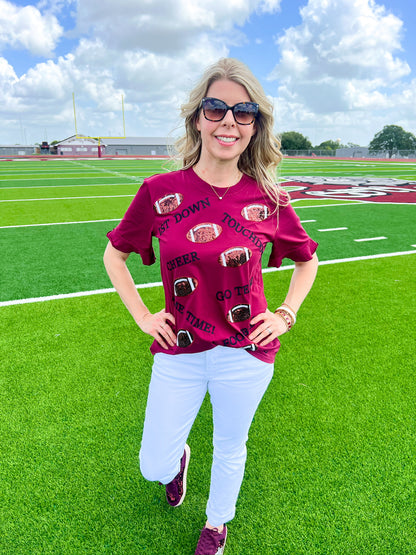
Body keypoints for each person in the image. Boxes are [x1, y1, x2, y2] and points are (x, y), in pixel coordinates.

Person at [103, 57, 318, 555]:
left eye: (244, 112)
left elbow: (306, 262)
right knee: (151, 464)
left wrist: (285, 313)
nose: (229, 121)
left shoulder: (268, 197)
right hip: (178, 349)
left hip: (245, 351)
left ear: (255, 126)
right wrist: (143, 316)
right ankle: (175, 461)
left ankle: (216, 525)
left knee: (230, 446)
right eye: (217, 107)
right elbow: (115, 256)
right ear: (197, 117)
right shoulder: (161, 192)